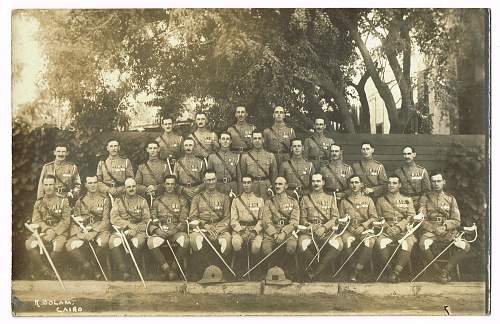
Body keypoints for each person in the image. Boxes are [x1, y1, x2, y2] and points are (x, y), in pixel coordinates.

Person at [418, 171, 470, 283]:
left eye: (439, 181)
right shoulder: (425, 198)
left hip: (448, 232)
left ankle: (445, 271)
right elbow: (421, 219)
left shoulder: (451, 199)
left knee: (465, 246)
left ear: (444, 182)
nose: (436, 183)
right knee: (422, 244)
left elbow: (457, 221)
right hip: (431, 232)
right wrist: (433, 229)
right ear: (430, 183)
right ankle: (437, 271)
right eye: (433, 181)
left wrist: (445, 227)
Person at [25, 175, 71, 279]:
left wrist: (54, 231)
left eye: (51, 184)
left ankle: (46, 273)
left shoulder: (63, 201)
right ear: (43, 186)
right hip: (43, 231)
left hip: (59, 232)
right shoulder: (39, 202)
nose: (49, 187)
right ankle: (45, 271)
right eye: (46, 185)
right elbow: (36, 219)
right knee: (29, 243)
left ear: (55, 185)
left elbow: (66, 221)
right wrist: (47, 229)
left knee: (58, 245)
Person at [66, 176, 111, 280]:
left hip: (99, 229)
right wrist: (80, 234)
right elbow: (76, 221)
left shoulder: (105, 200)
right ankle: (88, 267)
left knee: (103, 242)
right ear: (86, 185)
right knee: (70, 245)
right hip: (84, 229)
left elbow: (106, 221)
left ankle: (91, 265)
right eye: (90, 183)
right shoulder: (80, 201)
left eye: (95, 182)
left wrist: (94, 232)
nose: (93, 185)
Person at [188, 172, 232, 277]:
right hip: (202, 228)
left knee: (227, 241)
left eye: (213, 179)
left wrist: (216, 230)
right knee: (195, 240)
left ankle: (220, 271)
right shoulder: (197, 198)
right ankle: (201, 271)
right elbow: (192, 217)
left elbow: (227, 217)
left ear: (216, 180)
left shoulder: (224, 197)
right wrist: (205, 226)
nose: (211, 182)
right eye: (208, 180)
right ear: (204, 181)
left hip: (220, 228)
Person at [299, 174, 342, 280]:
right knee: (301, 244)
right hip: (310, 231)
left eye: (318, 181)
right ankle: (318, 268)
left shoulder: (331, 198)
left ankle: (316, 272)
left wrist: (324, 227)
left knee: (338, 244)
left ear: (323, 183)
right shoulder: (305, 198)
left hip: (327, 231)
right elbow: (302, 219)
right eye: (313, 181)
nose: (315, 183)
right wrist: (310, 226)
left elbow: (335, 218)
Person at [375, 175, 417, 283]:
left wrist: (399, 227)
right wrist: (386, 227)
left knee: (407, 243)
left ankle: (395, 273)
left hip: (403, 231)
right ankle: (389, 270)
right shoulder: (380, 200)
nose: (391, 185)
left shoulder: (407, 199)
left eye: (394, 183)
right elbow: (378, 217)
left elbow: (411, 216)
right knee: (380, 242)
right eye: (389, 183)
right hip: (387, 231)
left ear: (400, 185)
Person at [147, 175, 190, 280]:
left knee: (185, 241)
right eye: (167, 184)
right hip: (162, 230)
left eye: (172, 184)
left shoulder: (182, 200)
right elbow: (152, 218)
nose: (170, 186)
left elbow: (184, 219)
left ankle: (174, 268)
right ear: (164, 185)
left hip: (176, 231)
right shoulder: (157, 201)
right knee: (151, 242)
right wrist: (157, 230)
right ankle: (167, 270)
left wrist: (174, 231)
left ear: (175, 185)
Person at [339, 175, 379, 282]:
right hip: (349, 229)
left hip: (364, 229)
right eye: (351, 182)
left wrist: (363, 226)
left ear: (361, 184)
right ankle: (353, 265)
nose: (354, 185)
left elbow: (374, 217)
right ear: (349, 185)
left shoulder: (368, 200)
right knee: (345, 240)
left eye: (356, 182)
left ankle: (356, 270)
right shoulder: (344, 201)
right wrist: (350, 229)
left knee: (369, 241)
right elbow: (341, 220)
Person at [109, 178, 150, 281]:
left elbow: (146, 220)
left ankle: (132, 269)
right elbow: (113, 218)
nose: (131, 189)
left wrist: (135, 230)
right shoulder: (118, 201)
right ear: (125, 189)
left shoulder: (142, 201)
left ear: (136, 187)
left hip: (138, 230)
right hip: (122, 229)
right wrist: (127, 226)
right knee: (113, 242)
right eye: (129, 187)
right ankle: (124, 271)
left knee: (137, 242)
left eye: (133, 186)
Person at [261, 177, 300, 276]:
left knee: (291, 247)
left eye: (280, 184)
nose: (277, 186)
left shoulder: (293, 202)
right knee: (266, 248)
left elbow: (294, 221)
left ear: (286, 186)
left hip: (288, 232)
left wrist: (284, 233)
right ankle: (273, 270)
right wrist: (274, 234)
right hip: (272, 232)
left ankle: (284, 269)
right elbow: (266, 221)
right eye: (276, 184)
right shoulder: (269, 202)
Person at [230, 176, 264, 273]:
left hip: (255, 229)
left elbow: (262, 219)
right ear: (241, 184)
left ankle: (255, 269)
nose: (246, 185)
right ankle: (240, 267)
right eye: (244, 182)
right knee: (236, 243)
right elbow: (233, 220)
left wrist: (254, 231)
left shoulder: (259, 200)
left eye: (248, 182)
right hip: (240, 230)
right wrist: (240, 231)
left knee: (256, 247)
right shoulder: (236, 200)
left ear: (252, 183)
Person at [239, 130, 278, 198]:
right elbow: (243, 174)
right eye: (255, 138)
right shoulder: (245, 157)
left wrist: (272, 189)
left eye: (259, 138)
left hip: (266, 187)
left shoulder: (270, 156)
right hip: (251, 187)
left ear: (263, 140)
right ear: (251, 140)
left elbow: (274, 175)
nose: (257, 141)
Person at [394, 146, 431, 210]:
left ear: (414, 154)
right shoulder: (398, 172)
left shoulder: (422, 171)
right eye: (404, 154)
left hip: (418, 203)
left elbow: (427, 191)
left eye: (409, 154)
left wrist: (421, 204)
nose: (407, 156)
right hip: (403, 203)